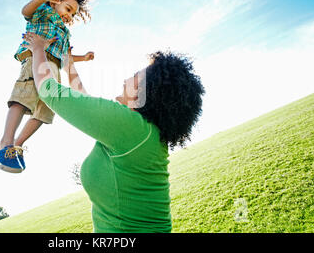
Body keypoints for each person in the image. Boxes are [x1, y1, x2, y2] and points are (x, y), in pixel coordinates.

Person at [22, 32, 205, 233]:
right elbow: (85, 101)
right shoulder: (142, 131)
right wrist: (70, 67)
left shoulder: (131, 128)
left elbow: (49, 90)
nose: (126, 80)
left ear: (146, 93)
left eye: (135, 78)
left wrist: (38, 48)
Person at [0, 0, 104, 173]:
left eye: (73, 15)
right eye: (68, 9)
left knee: (46, 110)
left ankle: (17, 145)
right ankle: (4, 143)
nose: (70, 16)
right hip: (34, 57)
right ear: (56, 2)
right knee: (25, 95)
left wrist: (84, 58)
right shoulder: (43, 11)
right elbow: (25, 12)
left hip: (53, 68)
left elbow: (66, 58)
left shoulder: (65, 33)